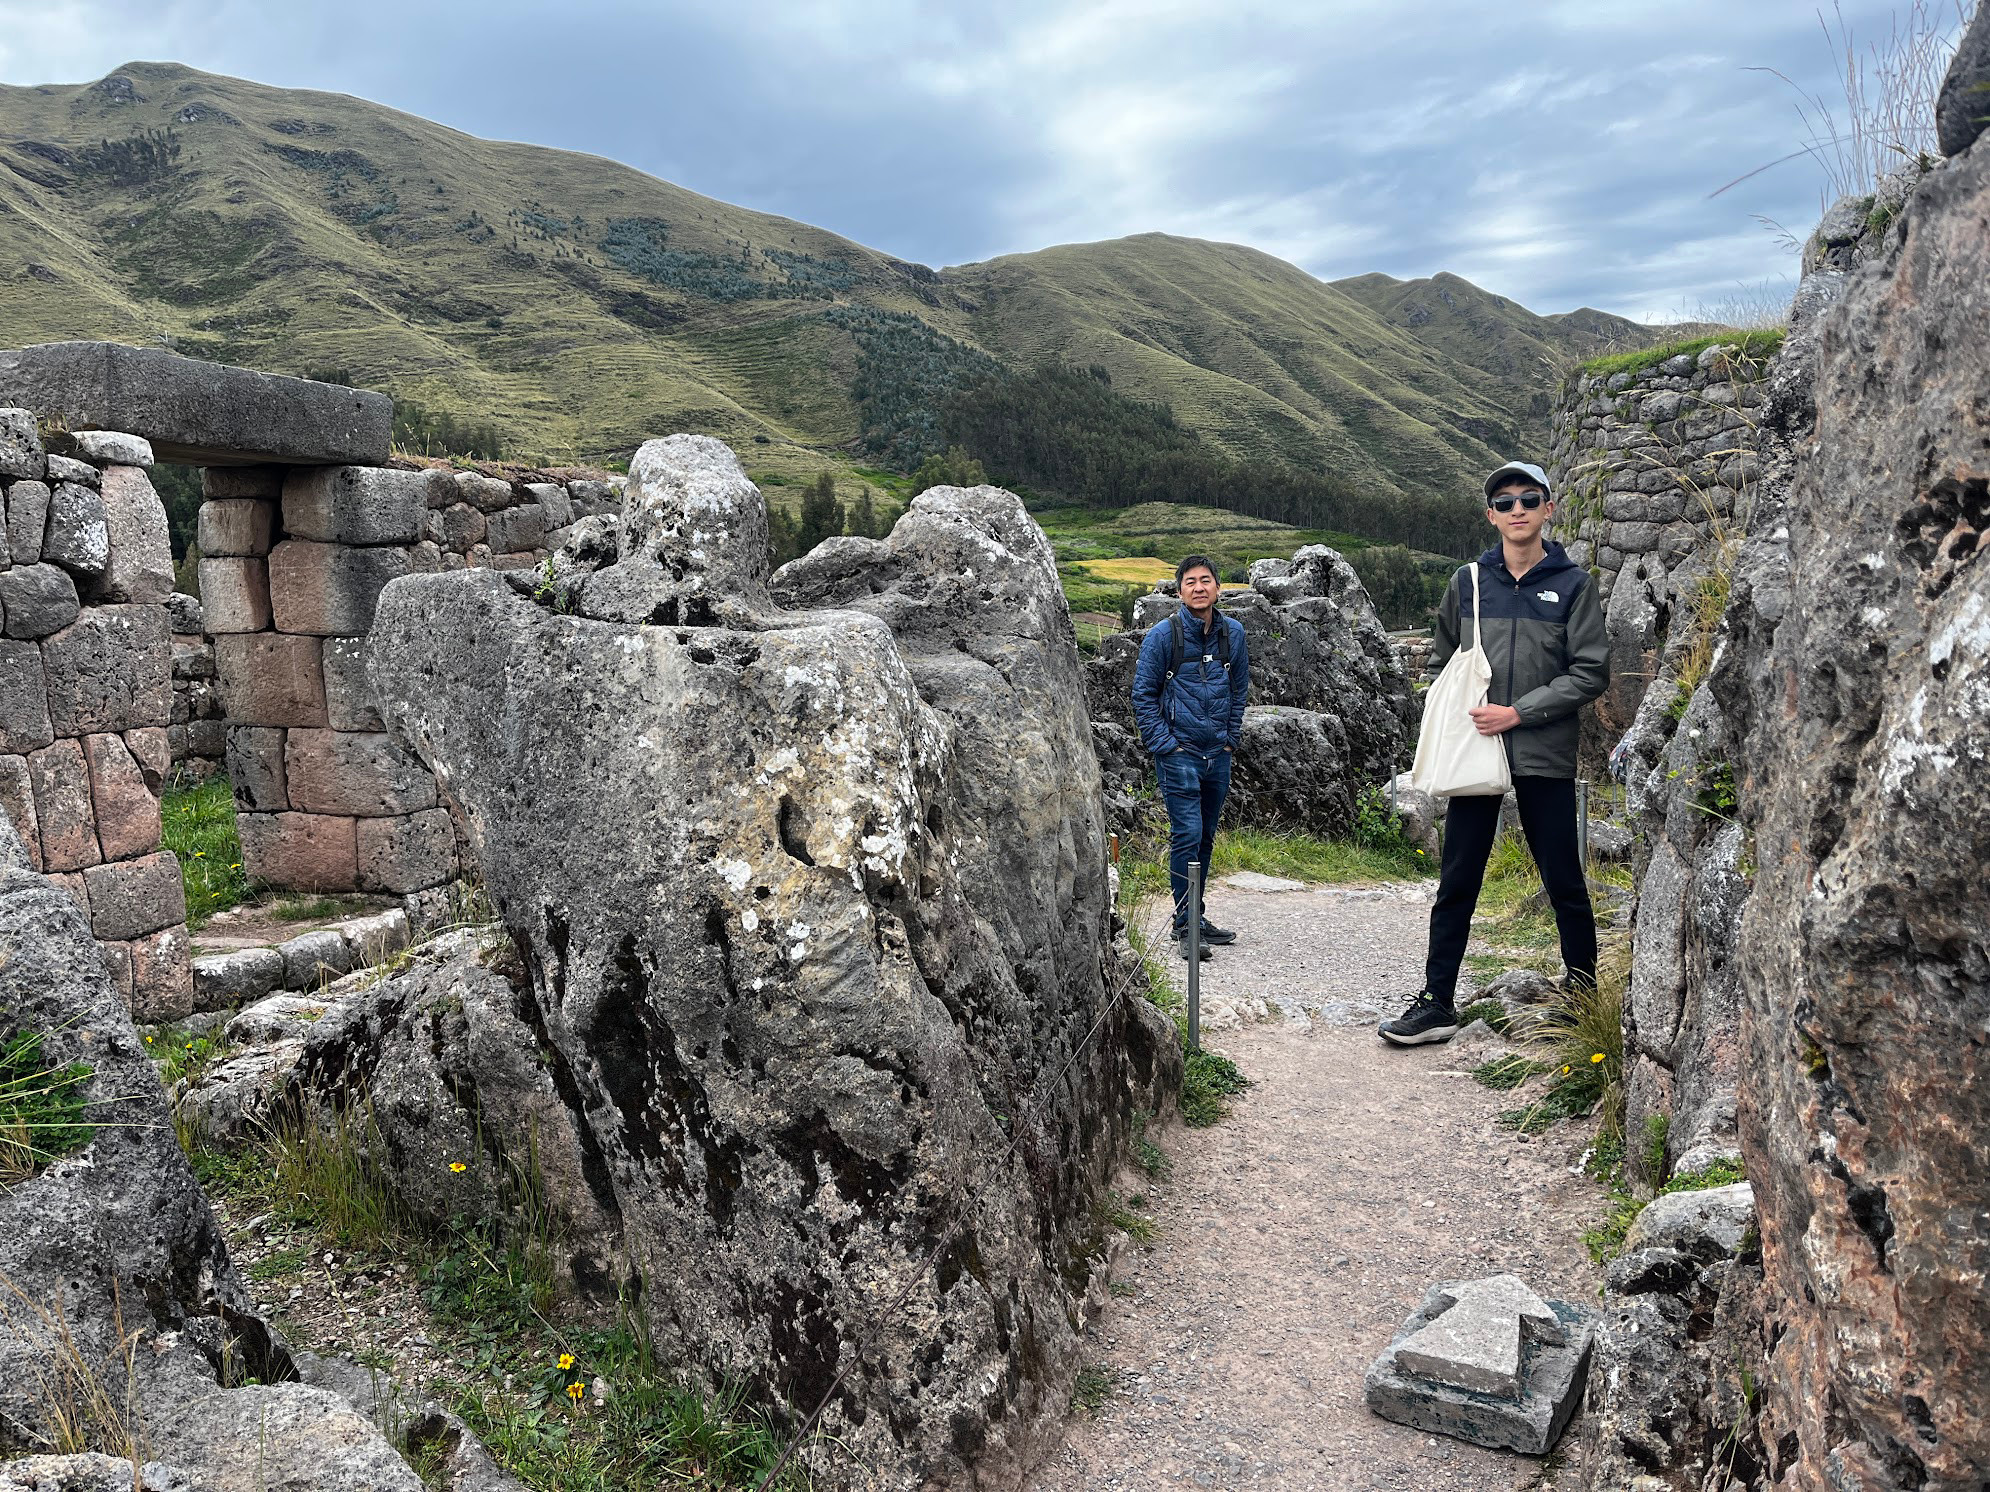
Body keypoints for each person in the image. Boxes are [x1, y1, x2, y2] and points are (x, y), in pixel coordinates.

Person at [1380, 460, 1608, 1046]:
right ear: (1491, 515)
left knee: (1564, 879)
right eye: (1504, 503)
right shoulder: (1468, 583)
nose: (1517, 511)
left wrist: (1520, 712)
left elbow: (1591, 672)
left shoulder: (1575, 586)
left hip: (1542, 752)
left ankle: (1584, 999)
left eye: (1528, 499)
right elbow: (1441, 662)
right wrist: (1458, 716)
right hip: (1476, 753)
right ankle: (1436, 1003)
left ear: (1549, 508)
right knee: (1458, 880)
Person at [1131, 554, 1251, 960]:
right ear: (1178, 590)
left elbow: (1239, 690)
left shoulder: (1233, 634)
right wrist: (1166, 745)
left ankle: (1195, 917)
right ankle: (1185, 927)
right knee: (1187, 834)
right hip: (1178, 753)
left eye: (1206, 580)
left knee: (1206, 836)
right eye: (1190, 582)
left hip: (1218, 753)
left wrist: (1230, 739)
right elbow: (1143, 695)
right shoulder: (1163, 636)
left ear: (1218, 587)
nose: (1198, 588)